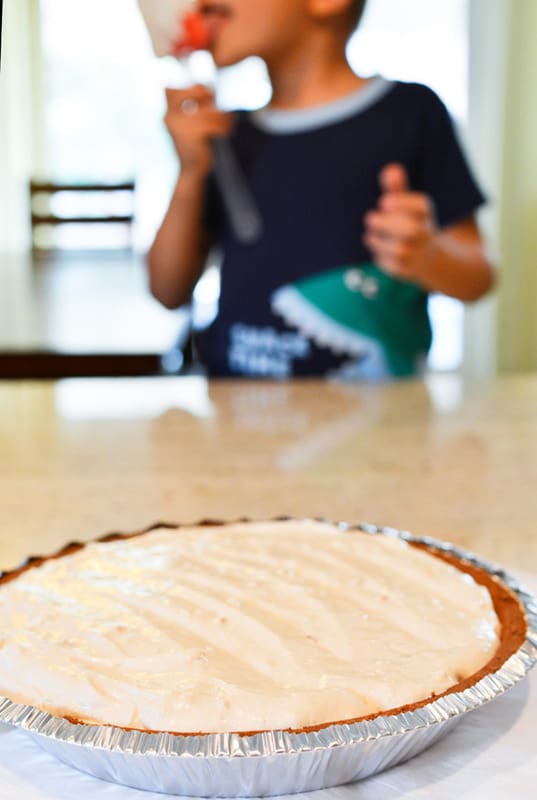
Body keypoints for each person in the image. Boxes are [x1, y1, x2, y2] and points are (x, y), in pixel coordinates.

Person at [148, 0, 495, 380]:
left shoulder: (412, 114)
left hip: (381, 424)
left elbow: (478, 276)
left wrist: (428, 256)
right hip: (239, 417)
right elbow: (168, 290)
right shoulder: (227, 136)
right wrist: (190, 172)